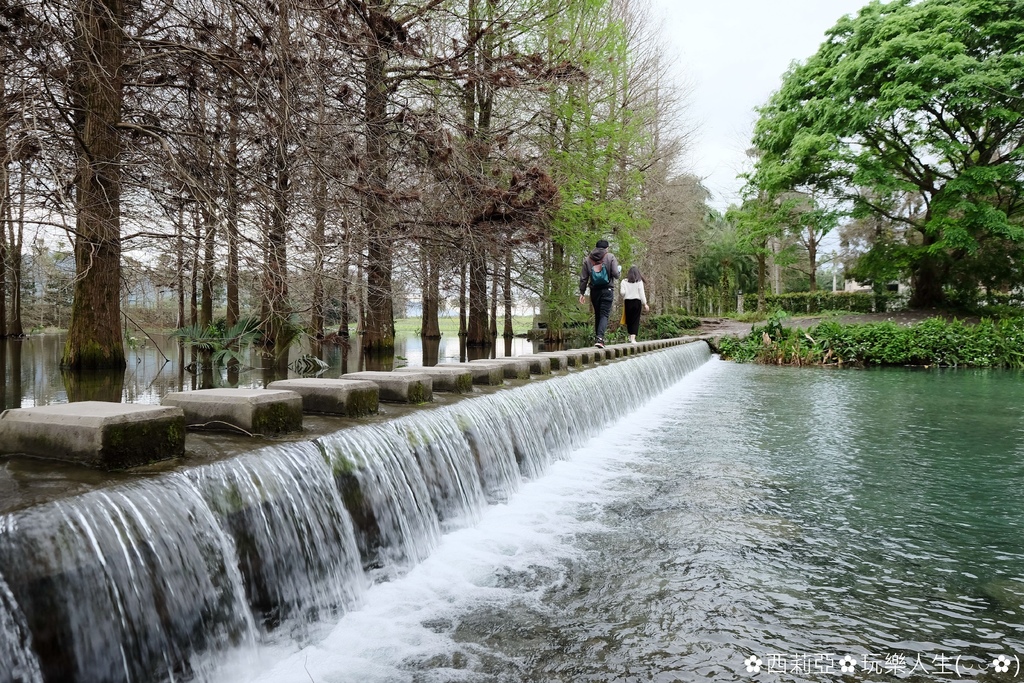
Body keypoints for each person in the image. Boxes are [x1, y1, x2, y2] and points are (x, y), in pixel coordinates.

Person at [578, 239, 621, 348]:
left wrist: (582, 293)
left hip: (594, 291)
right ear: (607, 248)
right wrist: (619, 271)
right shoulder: (610, 257)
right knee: (604, 314)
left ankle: (597, 338)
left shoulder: (588, 259)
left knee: (598, 314)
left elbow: (583, 278)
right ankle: (600, 338)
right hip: (607, 289)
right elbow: (616, 274)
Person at [619, 265, 649, 344]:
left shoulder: (624, 281)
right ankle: (633, 338)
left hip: (627, 302)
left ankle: (630, 336)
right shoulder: (639, 282)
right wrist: (645, 303)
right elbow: (642, 294)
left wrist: (626, 293)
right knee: (635, 320)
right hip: (637, 302)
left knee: (629, 319)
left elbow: (622, 292)